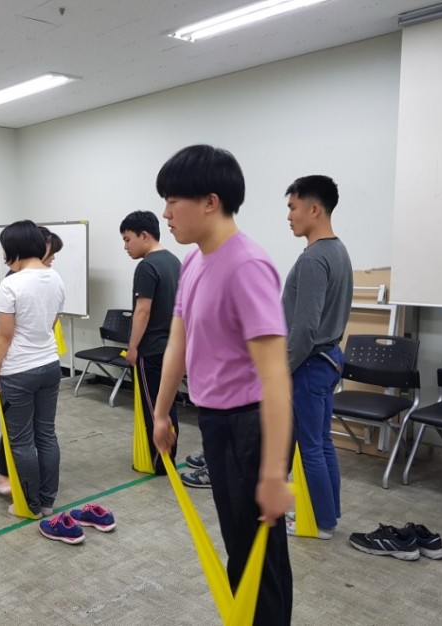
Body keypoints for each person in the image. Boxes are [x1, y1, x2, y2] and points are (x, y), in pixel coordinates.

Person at [151, 145, 294, 625]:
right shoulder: (193, 261)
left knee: (259, 558)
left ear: (210, 202)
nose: (166, 213)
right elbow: (179, 339)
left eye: (173, 201)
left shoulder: (246, 266)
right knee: (239, 544)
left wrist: (273, 473)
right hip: (215, 421)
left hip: (250, 426)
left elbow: (276, 377)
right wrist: (161, 411)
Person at [282, 175, 352, 540]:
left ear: (314, 209)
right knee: (322, 442)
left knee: (310, 446)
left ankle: (320, 523)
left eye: (293, 208)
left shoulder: (313, 259)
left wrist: (282, 370)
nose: (289, 216)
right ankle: (327, 515)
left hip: (309, 364)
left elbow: (305, 328)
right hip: (328, 359)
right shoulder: (339, 251)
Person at [0, 220, 66, 517]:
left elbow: (3, 336)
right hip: (50, 365)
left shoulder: (11, 284)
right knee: (46, 435)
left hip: (18, 372)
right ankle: (46, 502)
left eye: (5, 248)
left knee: (21, 441)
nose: (3, 255)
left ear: (15, 247)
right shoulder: (56, 279)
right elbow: (51, 323)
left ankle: (30, 505)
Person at [119, 210, 181, 475]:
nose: (126, 246)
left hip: (152, 349)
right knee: (167, 405)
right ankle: (168, 457)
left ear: (144, 236)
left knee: (153, 407)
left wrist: (133, 348)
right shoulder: (174, 261)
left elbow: (142, 311)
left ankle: (160, 462)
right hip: (172, 348)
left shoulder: (146, 266)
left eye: (128, 239)